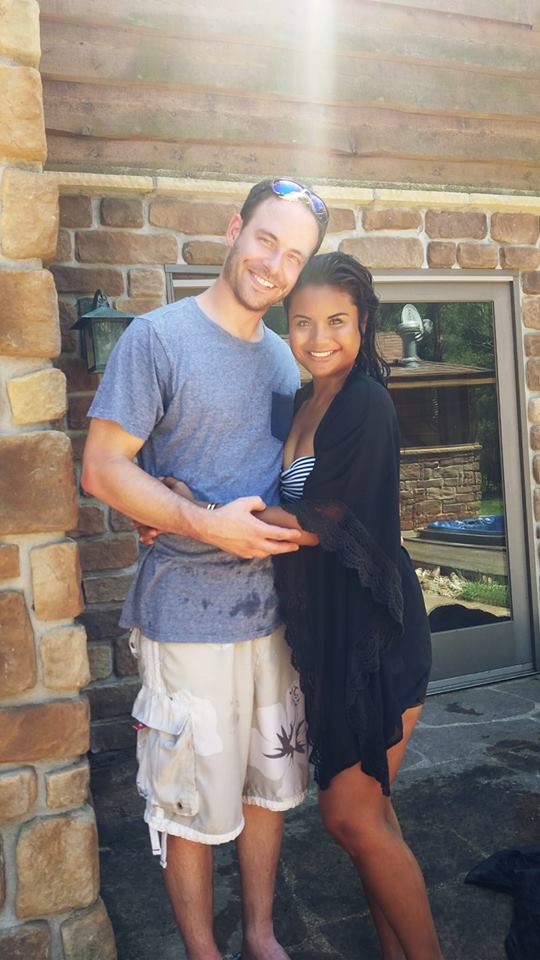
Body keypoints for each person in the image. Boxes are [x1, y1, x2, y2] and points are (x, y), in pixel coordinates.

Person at [81, 178, 329, 960]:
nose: (274, 264)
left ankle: (258, 935)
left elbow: (300, 478)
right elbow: (101, 469)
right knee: (187, 801)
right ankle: (204, 952)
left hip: (273, 618)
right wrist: (193, 519)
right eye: (265, 240)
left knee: (268, 790)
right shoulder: (156, 339)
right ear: (233, 230)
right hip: (185, 618)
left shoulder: (290, 365)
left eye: (294, 255)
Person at [269, 252, 443, 960]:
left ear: (363, 322)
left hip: (376, 629)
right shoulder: (307, 399)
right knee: (369, 820)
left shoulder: (364, 401)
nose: (319, 337)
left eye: (337, 320)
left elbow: (330, 520)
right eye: (304, 321)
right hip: (334, 632)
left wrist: (219, 520)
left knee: (349, 815)